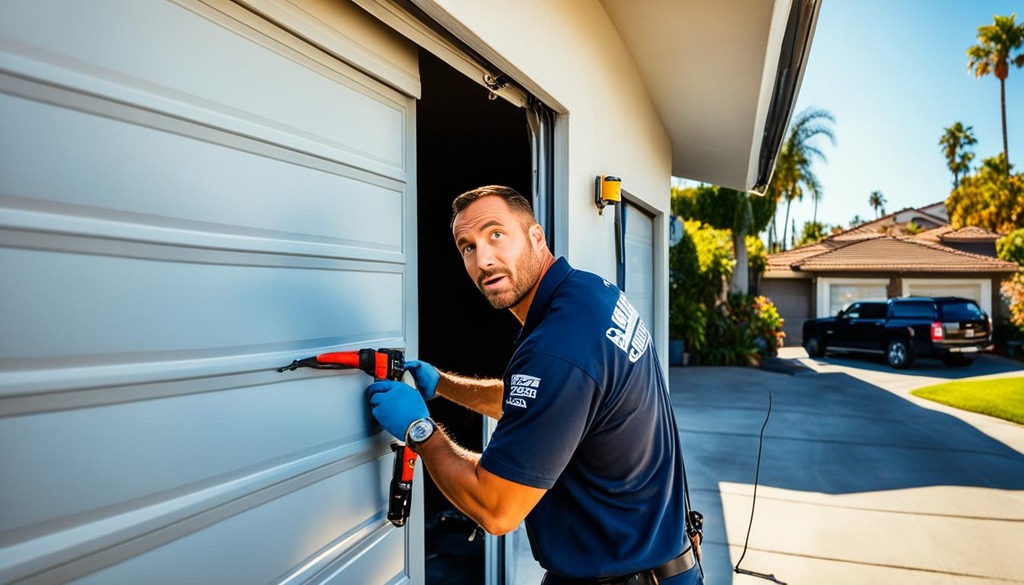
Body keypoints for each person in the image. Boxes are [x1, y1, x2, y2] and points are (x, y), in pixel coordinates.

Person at [366, 185, 702, 585]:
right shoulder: (589, 292)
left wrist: (419, 429)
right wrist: (442, 385)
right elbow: (543, 404)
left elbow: (495, 508)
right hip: (660, 563)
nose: (483, 260)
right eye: (467, 247)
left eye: (495, 234)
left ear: (536, 237)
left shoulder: (557, 347)